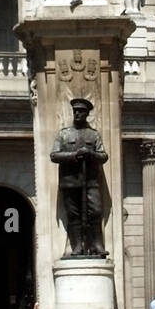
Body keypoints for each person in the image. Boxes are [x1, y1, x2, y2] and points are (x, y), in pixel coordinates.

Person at [50, 98, 109, 256]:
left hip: (90, 181)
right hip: (69, 182)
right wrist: (74, 155)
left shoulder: (94, 135)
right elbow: (54, 155)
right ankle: (77, 246)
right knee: (73, 215)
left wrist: (91, 154)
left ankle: (97, 245)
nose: (77, 113)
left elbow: (104, 156)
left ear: (87, 114)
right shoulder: (64, 134)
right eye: (75, 110)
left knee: (95, 212)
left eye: (81, 111)